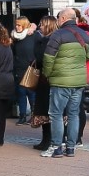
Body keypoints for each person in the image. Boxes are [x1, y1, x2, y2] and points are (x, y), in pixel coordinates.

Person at [41, 7, 89, 159]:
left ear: (63, 18)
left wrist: (47, 74)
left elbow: (48, 58)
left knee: (56, 114)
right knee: (73, 114)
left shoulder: (58, 35)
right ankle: (70, 147)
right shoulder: (84, 35)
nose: (57, 20)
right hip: (78, 81)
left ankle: (56, 147)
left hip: (61, 81)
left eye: (58, 18)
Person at [30, 15, 59, 152]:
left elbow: (40, 58)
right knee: (51, 111)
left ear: (48, 26)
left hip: (46, 80)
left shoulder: (47, 41)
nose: (39, 26)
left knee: (46, 111)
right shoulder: (56, 39)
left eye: (42, 24)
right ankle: (48, 140)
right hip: (52, 80)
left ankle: (48, 140)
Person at [10, 17, 39, 124]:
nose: (17, 27)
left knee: (31, 93)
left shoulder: (33, 35)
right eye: (16, 25)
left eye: (19, 25)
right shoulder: (14, 37)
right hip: (18, 68)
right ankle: (22, 116)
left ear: (24, 25)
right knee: (21, 93)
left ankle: (33, 115)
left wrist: (33, 26)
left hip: (30, 68)